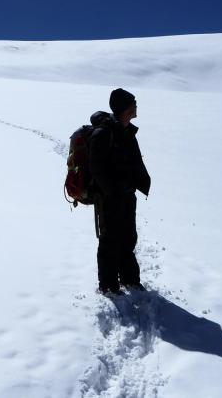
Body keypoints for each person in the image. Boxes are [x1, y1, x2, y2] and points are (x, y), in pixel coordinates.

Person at [88, 88, 151, 296]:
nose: (136, 106)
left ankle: (130, 280)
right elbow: (95, 166)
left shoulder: (126, 130)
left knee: (128, 238)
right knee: (110, 241)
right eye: (133, 103)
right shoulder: (104, 133)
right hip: (111, 198)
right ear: (125, 108)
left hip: (126, 195)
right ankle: (108, 287)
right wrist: (111, 192)